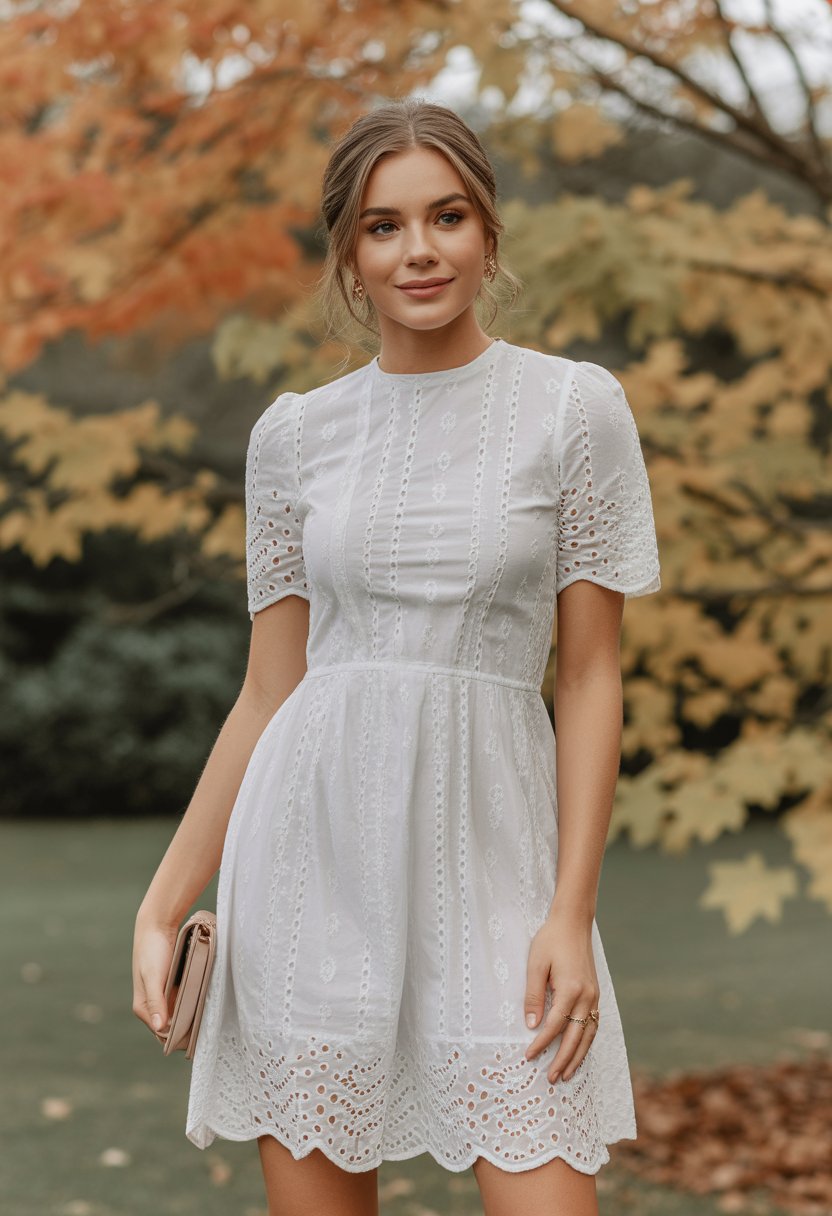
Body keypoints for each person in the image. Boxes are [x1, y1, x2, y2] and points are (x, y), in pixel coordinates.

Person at [132, 97, 661, 1216]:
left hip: (504, 870)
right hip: (309, 869)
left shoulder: (574, 410)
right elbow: (272, 688)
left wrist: (571, 909)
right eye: (383, 226)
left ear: (487, 234)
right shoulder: (290, 436)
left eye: (447, 216)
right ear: (348, 255)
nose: (419, 250)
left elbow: (589, 673)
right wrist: (168, 894)